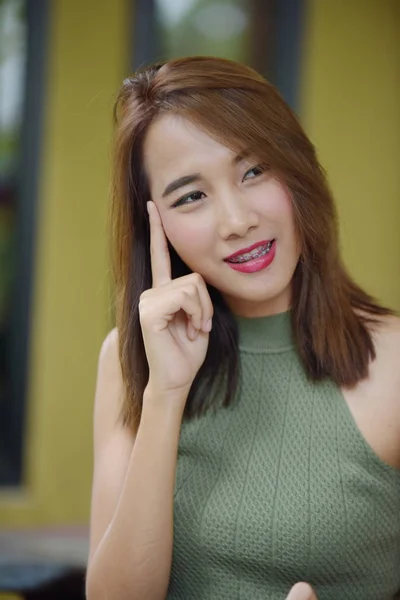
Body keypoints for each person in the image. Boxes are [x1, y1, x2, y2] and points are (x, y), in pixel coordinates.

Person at [85, 56, 400, 600]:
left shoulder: (393, 359)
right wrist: (166, 392)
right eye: (191, 196)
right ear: (155, 226)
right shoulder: (127, 360)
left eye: (254, 171)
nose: (237, 221)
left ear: (297, 169)